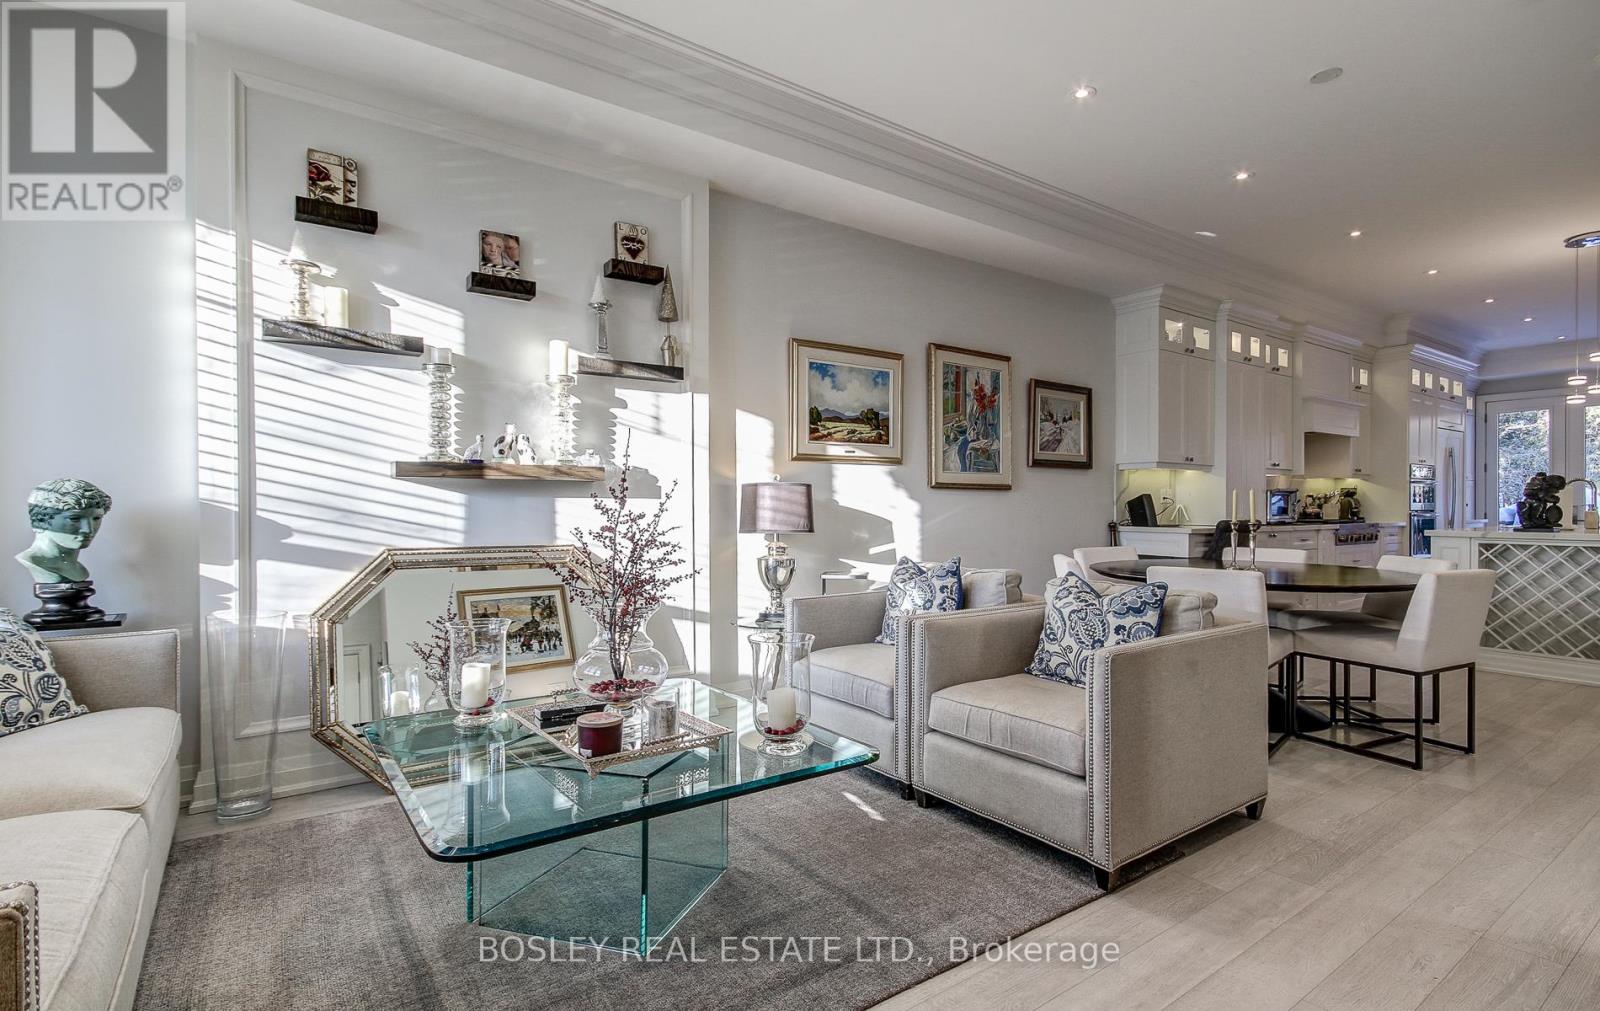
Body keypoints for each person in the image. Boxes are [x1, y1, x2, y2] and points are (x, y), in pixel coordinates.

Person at [15, 478, 112, 584]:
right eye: (74, 518)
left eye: (97, 518)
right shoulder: (34, 562)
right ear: (42, 519)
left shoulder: (76, 568)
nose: (88, 529)